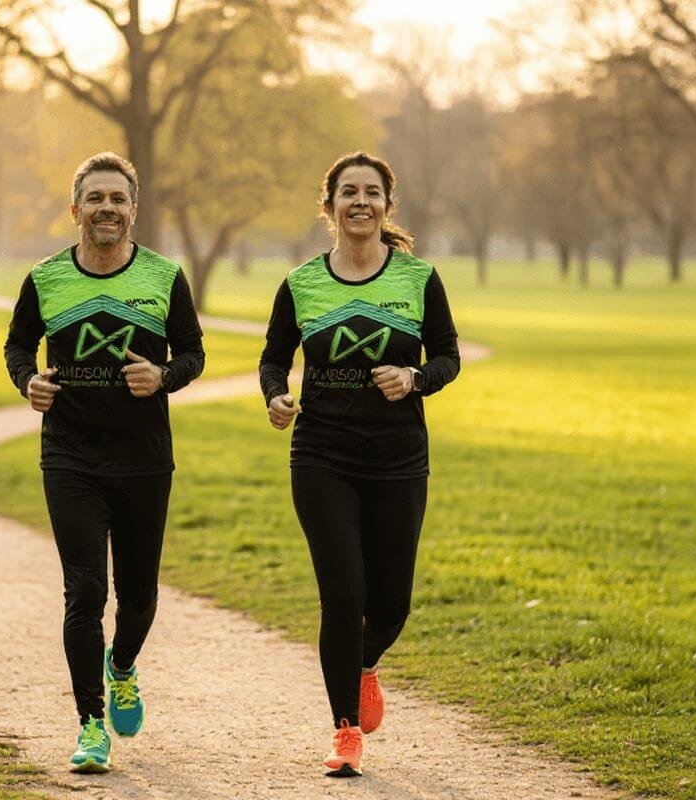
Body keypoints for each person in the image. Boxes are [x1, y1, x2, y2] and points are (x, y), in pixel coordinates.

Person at [258, 151, 461, 777]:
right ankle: (345, 728)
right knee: (343, 597)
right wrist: (276, 396)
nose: (360, 202)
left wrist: (415, 376)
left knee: (392, 603)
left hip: (399, 458)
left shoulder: (419, 279)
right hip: (322, 456)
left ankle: (365, 664)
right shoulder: (301, 284)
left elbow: (449, 357)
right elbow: (273, 358)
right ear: (330, 207)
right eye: (349, 192)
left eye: (372, 192)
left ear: (387, 206)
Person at [3, 151, 205, 773]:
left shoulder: (165, 277)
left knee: (139, 597)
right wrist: (26, 382)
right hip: (70, 456)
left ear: (134, 212)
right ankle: (91, 724)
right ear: (75, 211)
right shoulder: (45, 279)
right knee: (85, 589)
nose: (107, 209)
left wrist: (163, 376)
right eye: (96, 198)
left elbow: (193, 354)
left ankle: (121, 666)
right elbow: (17, 345)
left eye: (118, 199)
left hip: (144, 459)